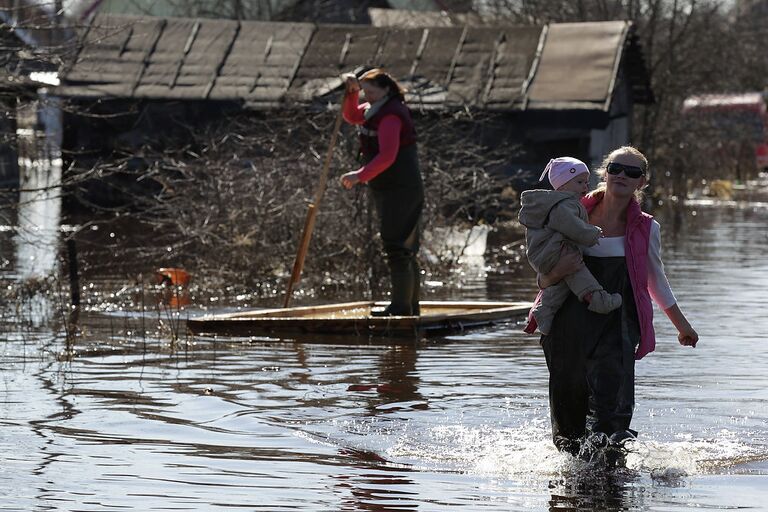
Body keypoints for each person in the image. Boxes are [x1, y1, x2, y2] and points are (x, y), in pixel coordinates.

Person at [524, 146, 699, 460]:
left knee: (612, 397)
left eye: (632, 172)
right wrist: (550, 277)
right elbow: (543, 265)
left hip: (618, 319)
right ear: (604, 172)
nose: (622, 175)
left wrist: (682, 327)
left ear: (641, 182)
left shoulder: (647, 228)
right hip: (568, 318)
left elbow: (655, 281)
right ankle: (573, 471)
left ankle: (609, 467)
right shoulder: (570, 210)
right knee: (569, 393)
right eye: (616, 168)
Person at [339, 68, 424, 316]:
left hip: (401, 189)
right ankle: (409, 307)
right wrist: (351, 93)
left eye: (371, 91)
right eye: (365, 91)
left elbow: (388, 155)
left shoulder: (391, 115)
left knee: (397, 246)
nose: (369, 95)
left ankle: (401, 308)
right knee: (402, 249)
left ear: (386, 90)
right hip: (387, 187)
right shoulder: (373, 109)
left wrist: (359, 175)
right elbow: (352, 115)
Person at [519, 157, 622, 335]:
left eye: (586, 182)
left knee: (562, 285)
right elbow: (571, 226)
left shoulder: (562, 203)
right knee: (578, 271)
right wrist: (592, 233)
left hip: (546, 254)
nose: (585, 187)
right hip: (553, 252)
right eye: (580, 182)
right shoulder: (563, 205)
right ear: (563, 185)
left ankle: (544, 311)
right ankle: (597, 298)